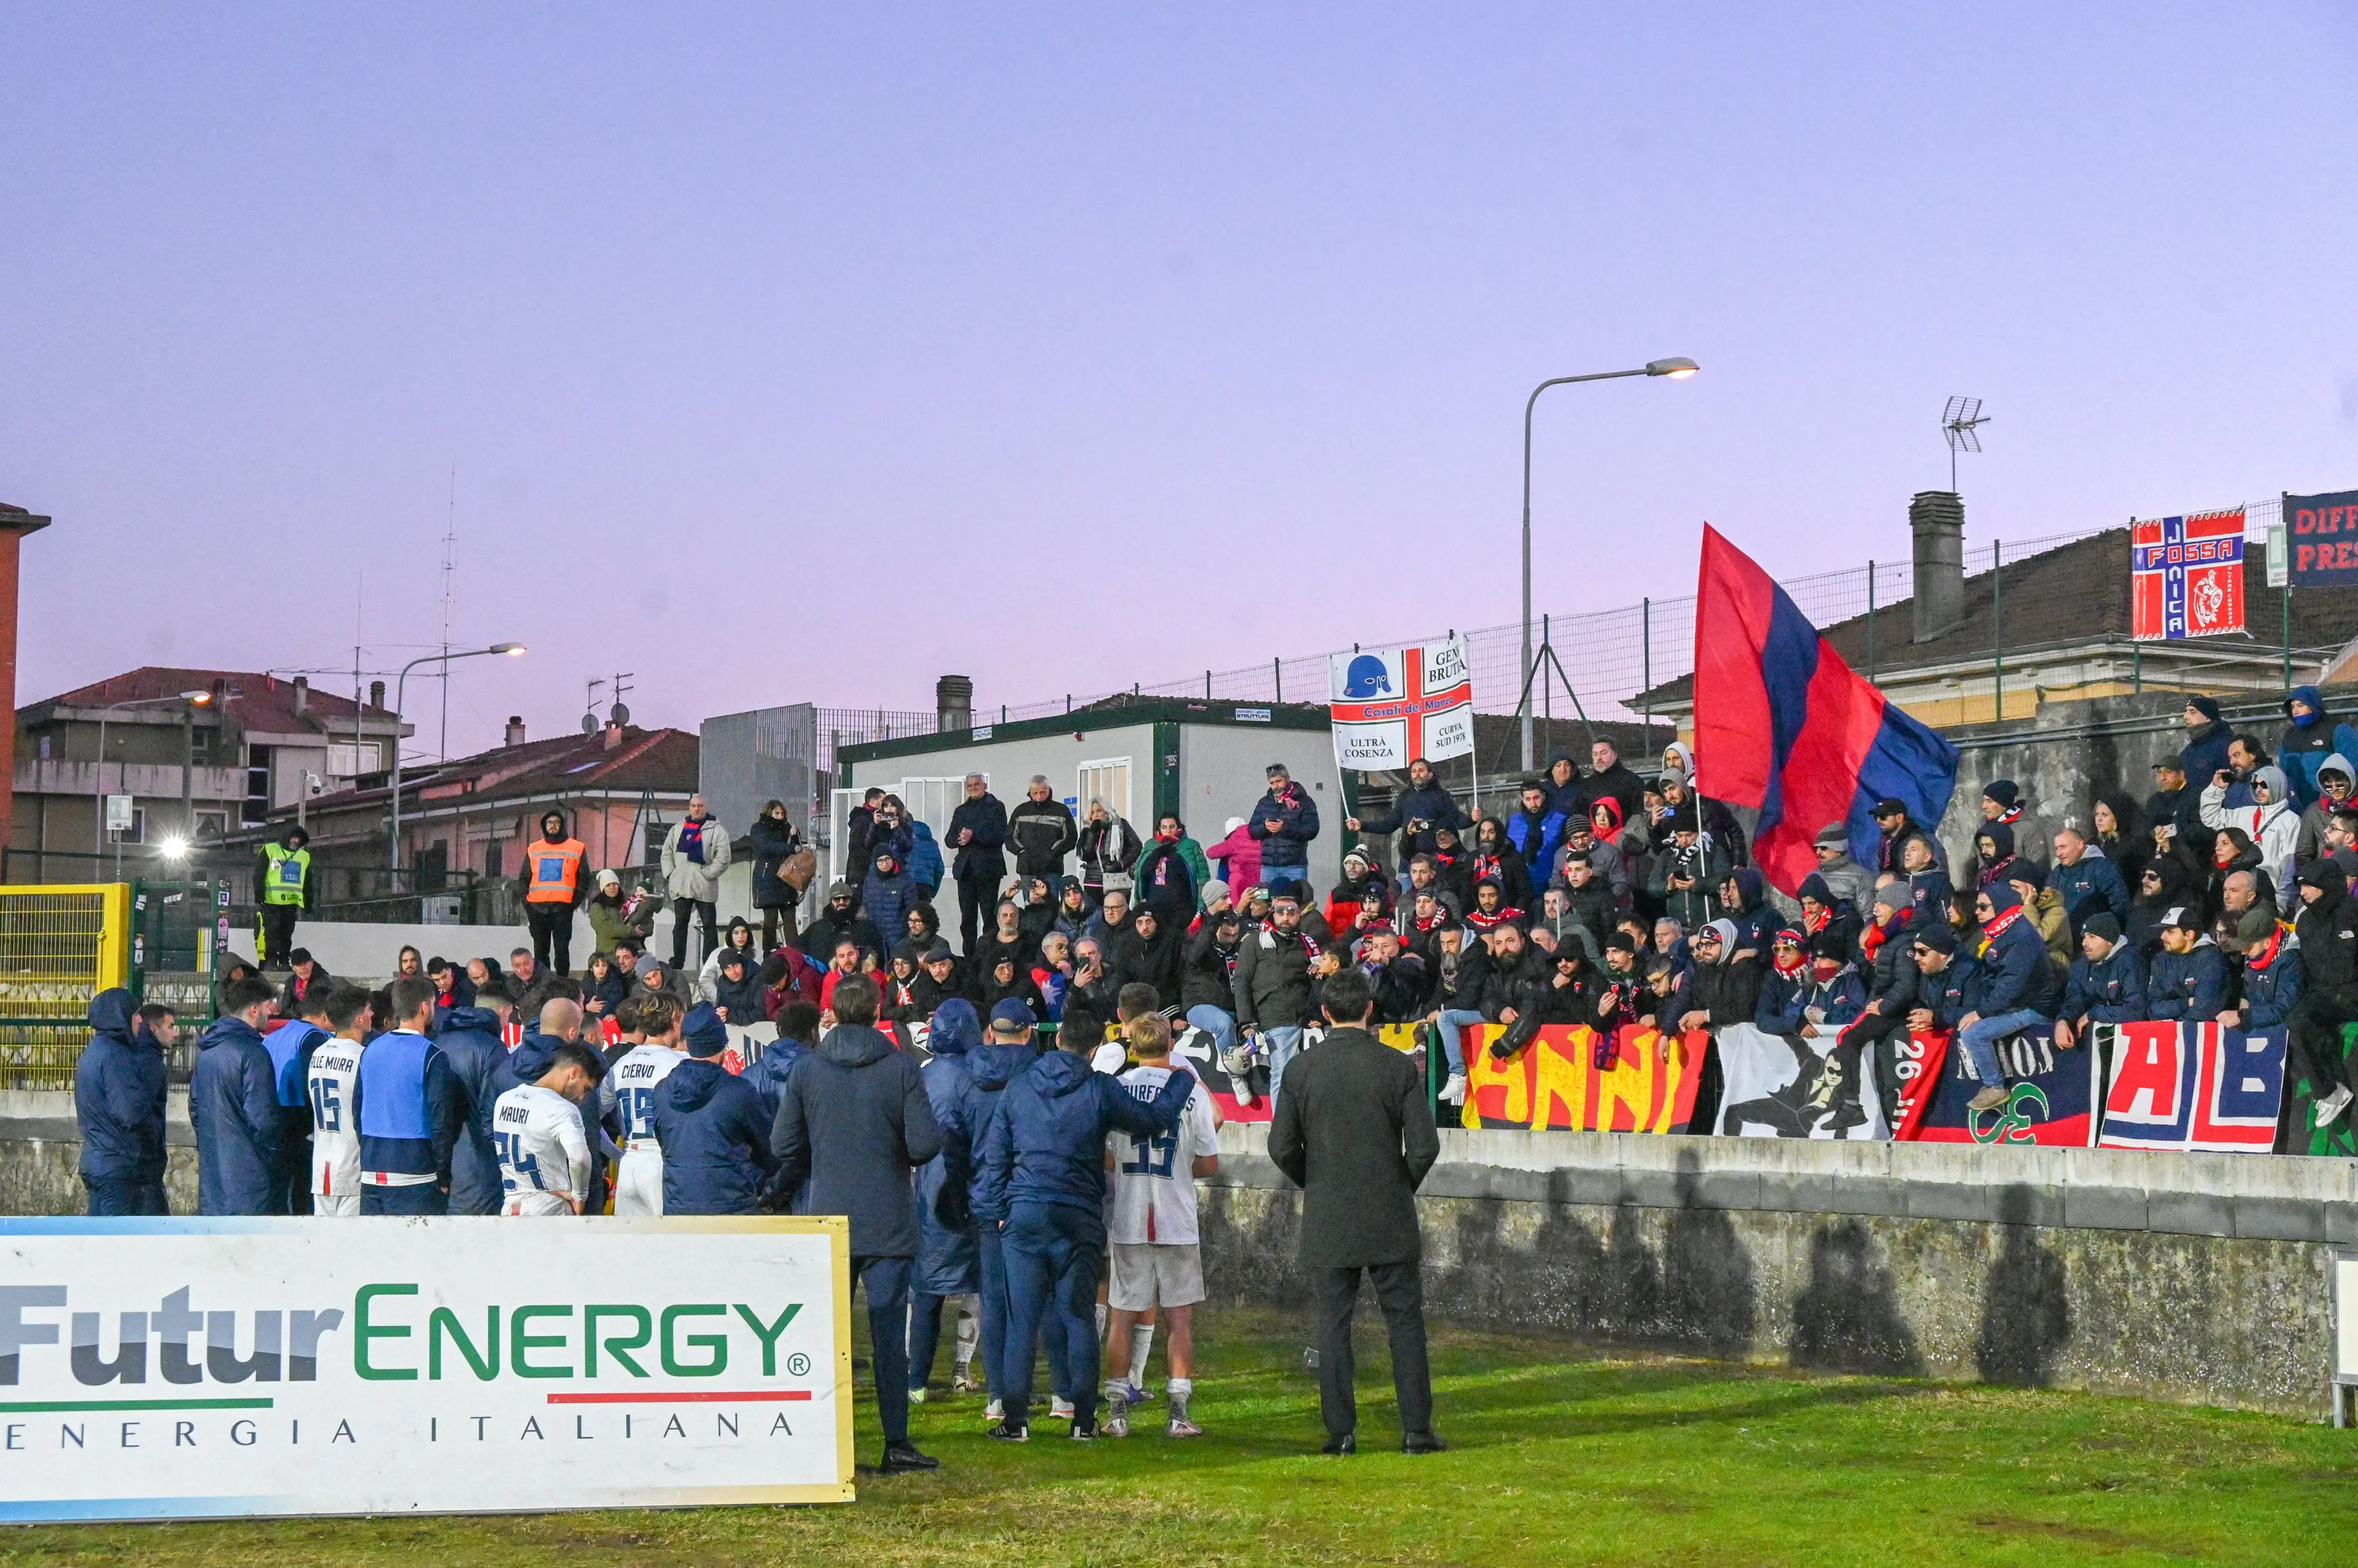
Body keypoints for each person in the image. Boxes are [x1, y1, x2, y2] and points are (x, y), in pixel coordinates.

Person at [975, 995, 1197, 1443]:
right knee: (1078, 1315)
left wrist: (996, 1211)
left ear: (1056, 1039)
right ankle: (1082, 1420)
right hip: (1077, 1213)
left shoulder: (1019, 1087)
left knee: (1023, 1318)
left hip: (1027, 1210)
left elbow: (995, 1155)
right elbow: (1153, 1120)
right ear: (1095, 1048)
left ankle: (1016, 1420)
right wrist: (1182, 1080)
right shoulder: (1099, 1088)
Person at [771, 972, 944, 1474]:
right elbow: (924, 1145)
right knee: (889, 1334)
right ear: (876, 1012)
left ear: (833, 1014)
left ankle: (821, 1439)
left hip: (828, 1213)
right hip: (887, 1215)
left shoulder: (808, 1070)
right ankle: (896, 1442)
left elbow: (783, 1145)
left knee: (826, 1333)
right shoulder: (901, 1067)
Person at [1266, 966, 1441, 1456]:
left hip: (1329, 1211)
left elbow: (1281, 1147)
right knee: (1405, 1322)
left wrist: (1314, 1181)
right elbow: (1424, 1147)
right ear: (1370, 1009)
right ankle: (1417, 1429)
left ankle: (1341, 1431)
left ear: (1324, 1013)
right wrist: (1398, 1184)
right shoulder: (1397, 1067)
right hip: (1388, 1209)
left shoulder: (1302, 1070)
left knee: (1333, 1325)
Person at [1100, 1013, 1220, 1439]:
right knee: (1180, 1319)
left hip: (1130, 1214)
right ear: (1171, 1043)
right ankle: (1178, 1410)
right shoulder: (1191, 1094)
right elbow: (1209, 1161)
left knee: (1122, 1315)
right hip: (1176, 1216)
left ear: (1132, 1044)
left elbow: (1108, 1157)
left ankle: (1115, 1413)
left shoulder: (1117, 1090)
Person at [958, 999, 1045, 1425]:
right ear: (1029, 1032)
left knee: (993, 1297)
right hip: (1026, 1193)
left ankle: (998, 1394)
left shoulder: (968, 1075)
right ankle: (1021, 1393)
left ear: (992, 1033)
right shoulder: (1036, 1073)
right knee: (1030, 1300)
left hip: (985, 1194)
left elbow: (955, 1136)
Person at [909, 999, 986, 1405]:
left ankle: (916, 1381)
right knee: (981, 1285)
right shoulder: (979, 1076)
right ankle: (962, 1370)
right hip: (972, 1189)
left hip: (928, 1192)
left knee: (927, 1289)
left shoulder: (920, 1075)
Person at [651, 1003, 779, 1214]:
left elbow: (665, 1143)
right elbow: (768, 1149)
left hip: (678, 1204)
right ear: (722, 1045)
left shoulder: (662, 1091)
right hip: (731, 1206)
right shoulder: (738, 1091)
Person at [1953, 883, 2060, 1114]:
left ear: (2000, 907)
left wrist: (1981, 1013)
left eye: (1983, 907)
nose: (1977, 912)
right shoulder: (2000, 932)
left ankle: (1995, 1087)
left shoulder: (2022, 938)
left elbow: (2011, 986)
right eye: (1976, 907)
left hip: (2035, 1007)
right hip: (2014, 1003)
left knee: (1973, 1034)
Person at [190, 976, 284, 1216]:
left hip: (213, 1175)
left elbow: (195, 1107)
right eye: (267, 1006)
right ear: (254, 1010)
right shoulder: (253, 1053)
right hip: (250, 1177)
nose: (270, 1012)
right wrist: (272, 1154)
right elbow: (263, 1120)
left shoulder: (207, 1050)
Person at [76, 990, 171, 1216]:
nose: (140, 1020)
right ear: (120, 1016)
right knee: (119, 1244)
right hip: (120, 1167)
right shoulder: (117, 1055)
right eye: (135, 1014)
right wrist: (153, 1134)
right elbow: (130, 1113)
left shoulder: (94, 1052)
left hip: (100, 1161)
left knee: (102, 1240)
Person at [494, 1038, 606, 1216]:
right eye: (585, 1088)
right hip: (549, 1208)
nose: (582, 1097)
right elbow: (580, 1158)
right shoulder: (561, 1108)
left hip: (511, 1207)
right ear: (574, 1073)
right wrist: (580, 1196)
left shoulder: (505, 1100)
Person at [1235, 889, 1320, 1104]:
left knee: (1314, 1081)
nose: (1286, 917)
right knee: (1282, 1075)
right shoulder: (1255, 941)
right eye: (1281, 912)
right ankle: (1281, 1131)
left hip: (1308, 1018)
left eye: (1291, 912)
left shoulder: (1308, 943)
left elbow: (1321, 980)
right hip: (1276, 1017)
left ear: (1299, 914)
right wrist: (1246, 1022)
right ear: (1273, 912)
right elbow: (1242, 981)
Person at [605, 993, 687, 1215]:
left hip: (630, 1159)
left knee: (631, 1245)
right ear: (675, 1019)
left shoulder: (621, 1064)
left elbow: (591, 1116)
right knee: (670, 1240)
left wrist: (615, 1154)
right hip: (660, 1161)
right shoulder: (680, 1064)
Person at [263, 987, 333, 1214]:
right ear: (325, 1015)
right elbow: (312, 1086)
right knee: (303, 1198)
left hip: (270, 1118)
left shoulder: (275, 1036)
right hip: (300, 1124)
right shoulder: (315, 1038)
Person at [304, 985, 373, 1216]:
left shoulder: (317, 1053)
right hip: (351, 1166)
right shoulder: (362, 1057)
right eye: (368, 1010)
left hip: (322, 1163)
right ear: (359, 1020)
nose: (372, 1014)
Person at [2201, 764, 2302, 906]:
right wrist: (2216, 789)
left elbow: (2289, 869)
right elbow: (2211, 818)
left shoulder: (2291, 821)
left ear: (2277, 785)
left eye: (2264, 785)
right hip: (2240, 889)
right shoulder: (2246, 813)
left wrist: (2281, 905)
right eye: (2255, 785)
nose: (2258, 790)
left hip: (2269, 894)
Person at [1345, 757, 1468, 863]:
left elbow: (1457, 819)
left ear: (1430, 774)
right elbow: (1389, 825)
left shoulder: (1442, 795)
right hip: (1409, 863)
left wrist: (1472, 819)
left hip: (1437, 861)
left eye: (1421, 771)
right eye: (1414, 771)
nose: (1417, 774)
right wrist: (1362, 825)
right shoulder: (1405, 797)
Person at [2052, 914, 2146, 1050]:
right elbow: (2075, 1000)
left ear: (2110, 941)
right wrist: (2063, 1021)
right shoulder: (2082, 964)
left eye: (2092, 937)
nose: (2085, 943)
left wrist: (2094, 1014)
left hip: (2131, 1045)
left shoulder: (2130, 962)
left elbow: (2136, 1011)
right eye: (2084, 937)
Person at [661, 793, 731, 969]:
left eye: (700, 806)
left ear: (705, 808)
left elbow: (723, 857)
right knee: (680, 925)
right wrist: (671, 874)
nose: (696, 809)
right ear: (689, 808)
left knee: (709, 926)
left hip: (704, 885)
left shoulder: (717, 830)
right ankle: (677, 962)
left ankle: (709, 962)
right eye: (693, 806)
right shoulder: (678, 828)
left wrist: (708, 874)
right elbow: (666, 853)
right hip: (681, 883)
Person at [518, 809, 591, 976]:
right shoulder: (534, 848)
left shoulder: (576, 847)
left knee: (562, 950)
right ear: (544, 826)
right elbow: (524, 878)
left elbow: (585, 878)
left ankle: (562, 984)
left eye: (557, 822)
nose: (553, 826)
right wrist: (527, 903)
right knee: (540, 951)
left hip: (562, 909)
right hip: (537, 909)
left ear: (563, 825)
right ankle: (543, 985)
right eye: (550, 823)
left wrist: (573, 902)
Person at [946, 774, 1011, 955]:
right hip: (966, 872)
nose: (974, 788)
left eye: (977, 784)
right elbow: (949, 839)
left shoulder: (997, 807)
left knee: (989, 917)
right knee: (967, 920)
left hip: (989, 870)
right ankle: (969, 960)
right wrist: (961, 838)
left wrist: (973, 836)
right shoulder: (961, 810)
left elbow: (999, 836)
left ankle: (990, 956)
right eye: (970, 785)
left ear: (985, 785)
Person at [1248, 763, 1320, 898]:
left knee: (1296, 902)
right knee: (1264, 902)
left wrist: (1285, 828)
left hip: (1295, 866)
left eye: (1279, 781)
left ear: (1288, 779)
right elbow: (1252, 830)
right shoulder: (1264, 803)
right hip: (1268, 867)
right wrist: (1266, 828)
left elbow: (1312, 830)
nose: (1276, 786)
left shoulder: (1305, 802)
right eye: (1272, 783)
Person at [749, 799, 808, 952]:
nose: (780, 817)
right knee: (771, 919)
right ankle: (769, 952)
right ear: (769, 812)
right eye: (777, 813)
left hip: (786, 879)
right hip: (768, 878)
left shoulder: (787, 828)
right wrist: (790, 847)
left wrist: (795, 836)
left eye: (782, 814)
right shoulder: (758, 829)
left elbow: (797, 849)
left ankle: (795, 953)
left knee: (790, 919)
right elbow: (765, 847)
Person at [1134, 813, 1210, 925]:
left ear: (1178, 827)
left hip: (1181, 909)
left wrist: (1200, 909)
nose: (1168, 831)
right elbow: (1141, 876)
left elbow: (1203, 878)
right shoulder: (1151, 846)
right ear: (1159, 828)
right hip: (1154, 907)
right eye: (1164, 827)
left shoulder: (1190, 846)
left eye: (1172, 827)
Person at [254, 823, 313, 967]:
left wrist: (308, 902)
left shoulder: (304, 856)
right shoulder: (270, 850)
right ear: (286, 838)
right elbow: (259, 874)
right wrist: (259, 895)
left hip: (291, 902)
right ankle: (271, 960)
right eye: (293, 838)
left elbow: (308, 882)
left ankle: (284, 960)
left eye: (299, 840)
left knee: (287, 933)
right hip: (271, 901)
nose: (296, 842)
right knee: (272, 932)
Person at [1009, 776, 1080, 882]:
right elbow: (1010, 837)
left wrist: (1053, 852)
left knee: (1051, 899)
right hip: (1027, 869)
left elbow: (1071, 837)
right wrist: (1022, 852)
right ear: (1030, 792)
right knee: (1030, 899)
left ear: (1049, 790)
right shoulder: (1021, 811)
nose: (1039, 796)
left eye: (1043, 792)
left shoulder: (1061, 810)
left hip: (1052, 869)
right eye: (1035, 793)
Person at [801, 882, 884, 967]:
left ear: (851, 901)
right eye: (837, 899)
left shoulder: (865, 927)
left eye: (845, 899)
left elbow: (878, 952)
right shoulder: (817, 927)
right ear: (831, 902)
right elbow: (797, 949)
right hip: (821, 977)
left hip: (854, 978)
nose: (841, 902)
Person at [1078, 798, 1143, 903]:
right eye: (1093, 812)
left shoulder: (1120, 825)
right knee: (1096, 916)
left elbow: (1137, 846)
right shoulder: (1087, 831)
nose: (1096, 815)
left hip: (1116, 880)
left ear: (1106, 811)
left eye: (1099, 811)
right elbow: (1086, 856)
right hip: (1094, 882)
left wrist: (1121, 864)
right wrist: (1093, 833)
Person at [1809, 825, 1875, 919]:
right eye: (1817, 848)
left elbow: (1868, 916)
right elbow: (1804, 913)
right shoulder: (1811, 877)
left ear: (1839, 849)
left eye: (1824, 848)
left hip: (1848, 932)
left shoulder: (1862, 876)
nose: (1818, 852)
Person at [1581, 738, 1646, 823]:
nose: (1599, 758)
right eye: (1595, 754)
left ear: (1615, 755)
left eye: (1603, 753)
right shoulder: (1587, 785)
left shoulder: (1632, 781)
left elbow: (1638, 815)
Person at [1204, 815, 1263, 902]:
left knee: (1238, 912)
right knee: (1257, 910)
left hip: (1238, 885)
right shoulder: (1262, 837)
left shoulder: (1236, 838)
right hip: (1260, 884)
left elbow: (1211, 853)